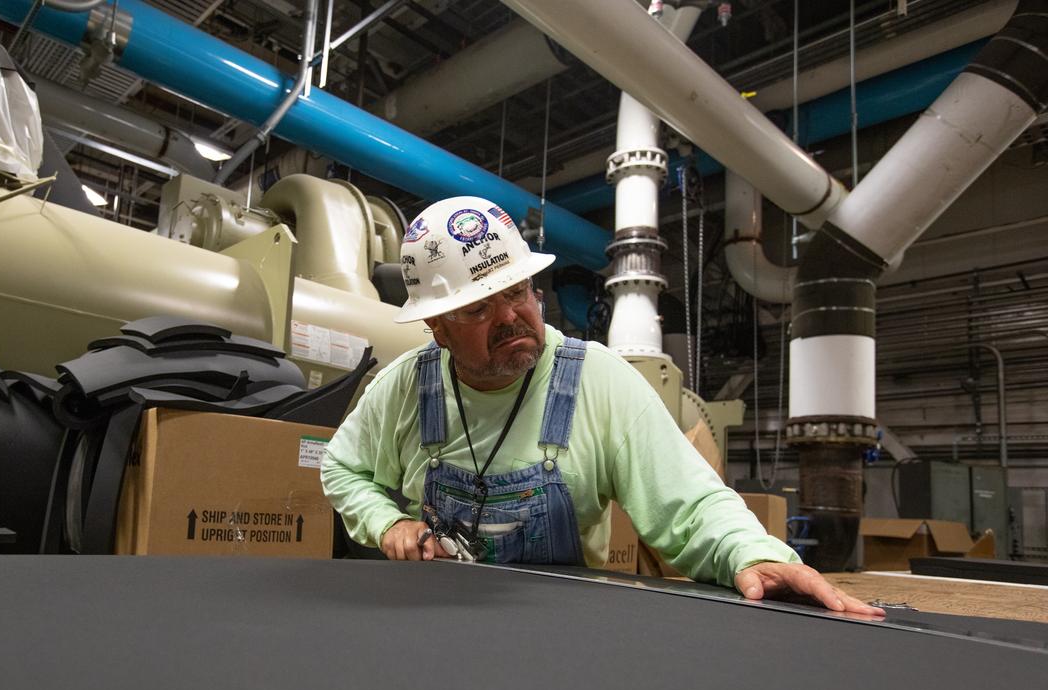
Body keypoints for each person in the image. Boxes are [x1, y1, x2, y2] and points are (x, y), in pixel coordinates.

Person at [321, 196, 882, 615]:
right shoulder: (404, 388)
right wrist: (385, 520)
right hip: (432, 617)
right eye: (478, 309)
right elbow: (340, 466)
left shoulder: (598, 383)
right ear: (438, 328)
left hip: (558, 628)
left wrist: (751, 554)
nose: (510, 317)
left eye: (517, 292)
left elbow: (688, 503)